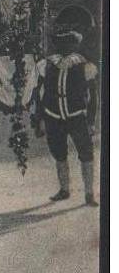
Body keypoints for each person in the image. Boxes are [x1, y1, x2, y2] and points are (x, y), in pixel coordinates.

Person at [35, 28, 99, 206]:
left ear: (74, 45)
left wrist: (91, 121)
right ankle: (64, 189)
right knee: (58, 152)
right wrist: (39, 119)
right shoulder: (47, 65)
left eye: (68, 43)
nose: (64, 47)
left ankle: (89, 193)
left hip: (76, 116)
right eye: (61, 43)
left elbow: (93, 97)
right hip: (53, 116)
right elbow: (40, 94)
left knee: (85, 152)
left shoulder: (84, 65)